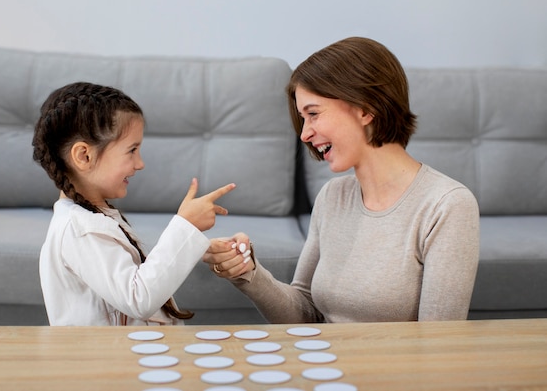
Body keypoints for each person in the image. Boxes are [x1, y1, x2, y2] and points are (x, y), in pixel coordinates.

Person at [203, 37, 480, 323]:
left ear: (365, 108)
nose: (304, 134)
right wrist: (248, 271)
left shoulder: (446, 206)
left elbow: (439, 345)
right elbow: (305, 314)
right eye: (302, 118)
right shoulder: (332, 196)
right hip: (322, 365)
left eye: (313, 114)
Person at [32, 82, 235, 326]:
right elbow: (138, 299)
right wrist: (186, 227)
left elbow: (134, 275)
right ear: (84, 156)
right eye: (132, 150)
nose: (140, 163)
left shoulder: (93, 217)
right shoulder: (80, 230)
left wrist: (194, 245)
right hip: (112, 363)